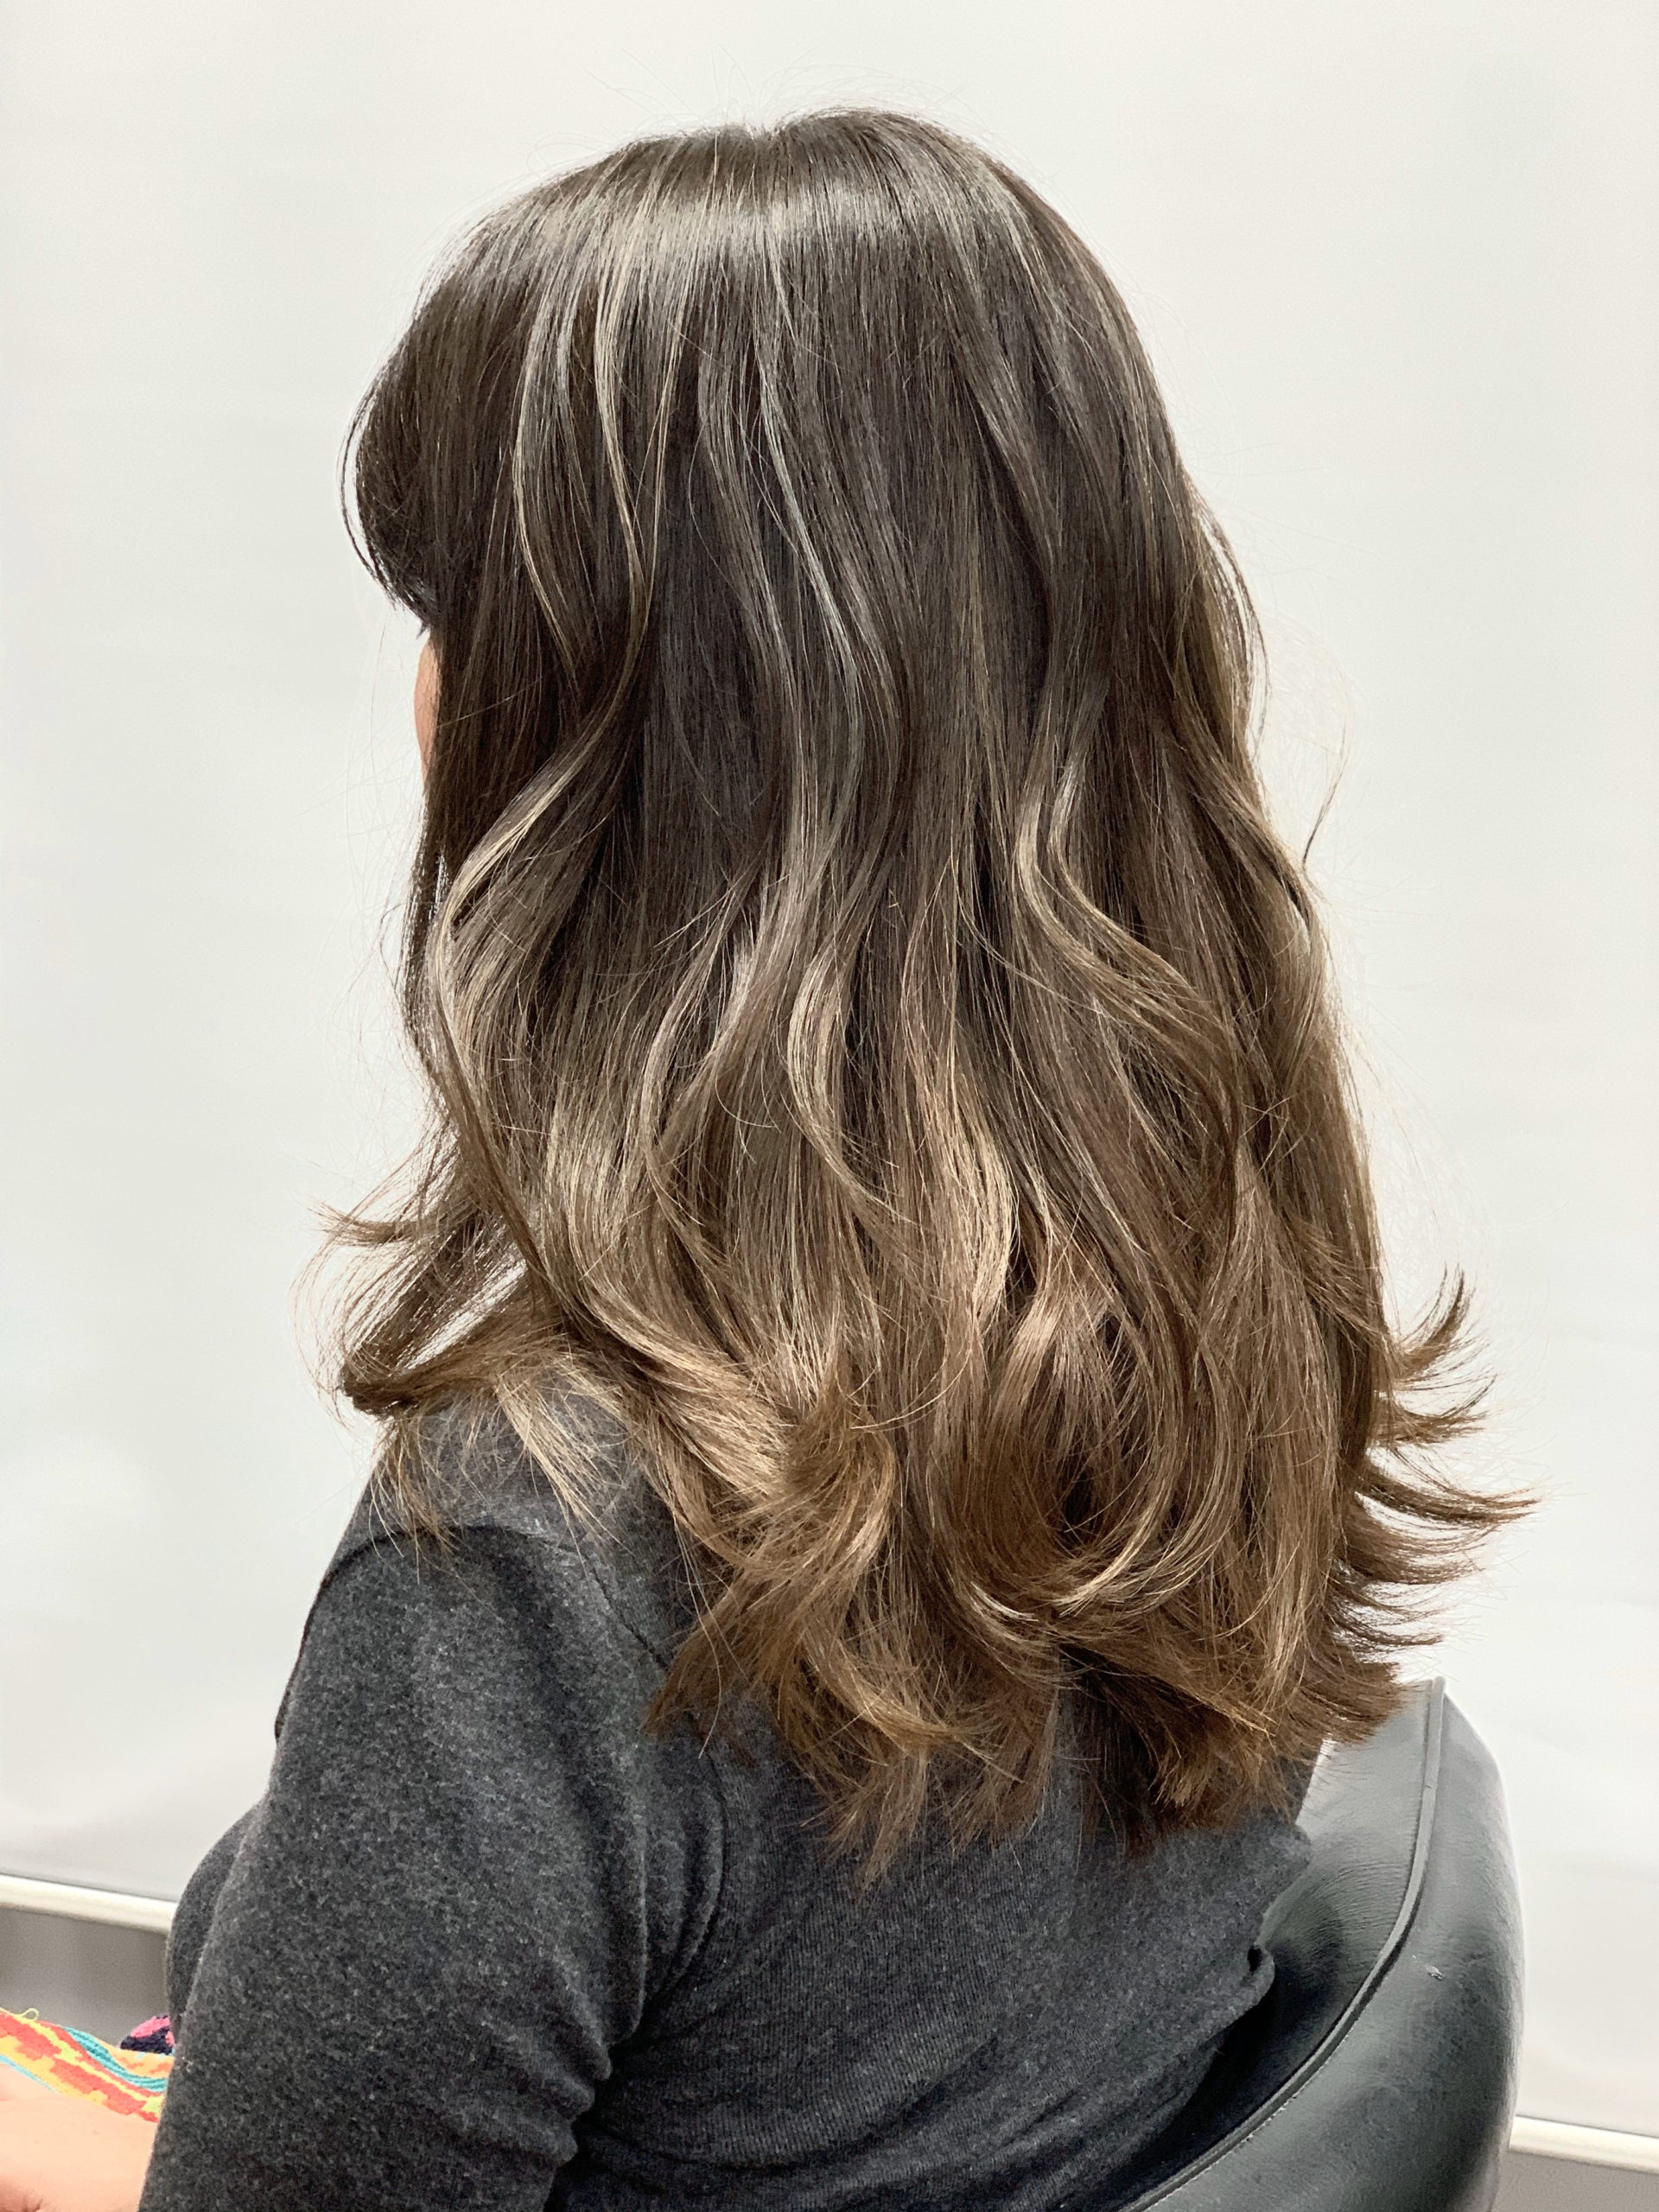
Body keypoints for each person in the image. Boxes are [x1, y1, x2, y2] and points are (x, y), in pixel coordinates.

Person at [0, 109, 1521, 2212]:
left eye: (464, 620)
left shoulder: (544, 1565)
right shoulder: (1215, 1292)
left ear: (609, 739)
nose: (426, 703)